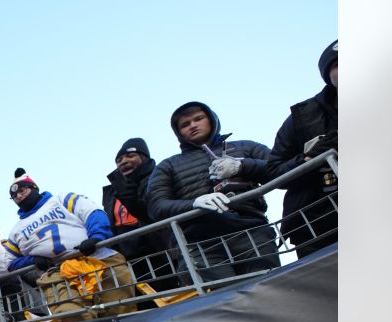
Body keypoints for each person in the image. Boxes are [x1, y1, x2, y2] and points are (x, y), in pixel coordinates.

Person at [145, 101, 280, 282]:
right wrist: (193, 203)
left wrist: (242, 166)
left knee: (268, 287)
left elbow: (280, 169)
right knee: (223, 301)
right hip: (200, 244)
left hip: (252, 232)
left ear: (211, 119)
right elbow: (156, 205)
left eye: (198, 119)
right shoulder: (168, 165)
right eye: (185, 124)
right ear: (178, 132)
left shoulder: (246, 147)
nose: (192, 125)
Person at [7, 169, 136, 322]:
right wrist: (32, 261)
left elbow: (92, 212)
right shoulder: (16, 231)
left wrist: (96, 237)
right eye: (14, 196)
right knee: (71, 315)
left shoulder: (62, 199)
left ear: (34, 187)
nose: (19, 196)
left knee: (120, 308)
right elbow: (9, 262)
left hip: (96, 257)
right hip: (56, 272)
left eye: (22, 191)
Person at [268, 40, 338, 259]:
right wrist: (311, 158)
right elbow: (274, 172)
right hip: (317, 220)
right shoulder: (302, 117)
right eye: (338, 64)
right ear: (327, 74)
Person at [100, 138, 173, 275]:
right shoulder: (112, 192)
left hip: (161, 252)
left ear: (144, 157)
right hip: (128, 259)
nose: (124, 161)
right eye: (119, 160)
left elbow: (159, 212)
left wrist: (132, 200)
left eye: (130, 155)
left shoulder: (159, 177)